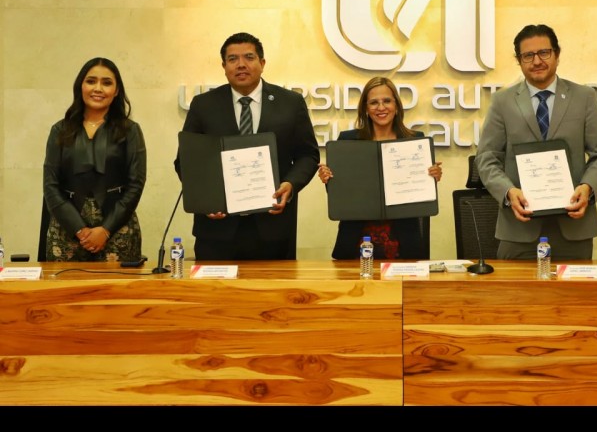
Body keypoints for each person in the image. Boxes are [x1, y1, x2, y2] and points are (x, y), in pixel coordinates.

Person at [474, 24, 597, 260]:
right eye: (528, 55)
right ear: (519, 61)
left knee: (575, 286)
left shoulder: (584, 97)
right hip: (519, 228)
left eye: (544, 53)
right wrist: (508, 192)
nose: (537, 61)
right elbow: (486, 158)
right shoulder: (502, 101)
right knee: (514, 286)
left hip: (574, 226)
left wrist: (588, 187)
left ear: (557, 54)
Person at [174, 32, 320, 260]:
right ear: (224, 66)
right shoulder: (204, 105)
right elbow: (186, 161)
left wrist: (290, 185)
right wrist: (205, 200)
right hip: (217, 229)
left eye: (249, 57)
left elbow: (307, 155)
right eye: (232, 59)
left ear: (262, 63)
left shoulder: (290, 103)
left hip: (273, 227)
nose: (241, 64)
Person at [317, 76, 443, 259]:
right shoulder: (348, 141)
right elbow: (342, 196)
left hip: (403, 239)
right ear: (365, 108)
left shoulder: (414, 140)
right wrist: (329, 179)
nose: (381, 107)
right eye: (374, 102)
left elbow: (420, 194)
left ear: (397, 105)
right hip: (357, 238)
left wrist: (432, 176)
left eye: (387, 101)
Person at [42, 57, 146, 262]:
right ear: (80, 86)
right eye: (91, 81)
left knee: (116, 284)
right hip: (66, 230)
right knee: (64, 284)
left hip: (117, 229)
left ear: (116, 91)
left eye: (106, 83)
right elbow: (50, 185)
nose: (98, 88)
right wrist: (79, 230)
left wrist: (105, 229)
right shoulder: (60, 130)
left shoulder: (130, 130)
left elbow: (136, 184)